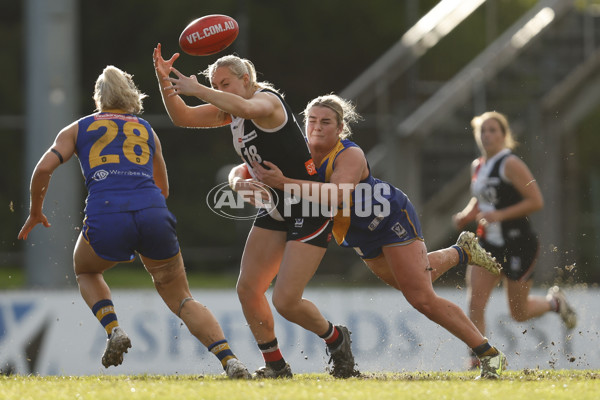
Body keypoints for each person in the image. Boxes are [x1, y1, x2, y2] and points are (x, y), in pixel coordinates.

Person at [249, 94, 507, 379]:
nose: (317, 127)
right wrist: (240, 180)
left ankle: (488, 354)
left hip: (389, 220)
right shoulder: (300, 152)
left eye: (326, 122)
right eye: (311, 121)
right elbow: (251, 163)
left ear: (340, 128)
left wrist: (283, 183)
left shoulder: (349, 153)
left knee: (421, 298)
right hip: (358, 233)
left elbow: (337, 195)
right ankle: (462, 252)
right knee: (410, 282)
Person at [18, 65, 251, 379]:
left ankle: (113, 329)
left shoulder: (77, 128)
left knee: (86, 269)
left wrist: (35, 210)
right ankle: (231, 361)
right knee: (181, 296)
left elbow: (43, 169)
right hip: (153, 211)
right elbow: (163, 189)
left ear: (98, 97)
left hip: (107, 213)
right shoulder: (145, 129)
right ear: (131, 95)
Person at [152, 45, 359, 378]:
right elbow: (183, 117)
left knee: (286, 301)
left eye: (225, 84)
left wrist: (197, 89)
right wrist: (165, 82)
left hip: (308, 206)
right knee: (248, 288)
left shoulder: (266, 101)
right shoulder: (232, 108)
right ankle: (276, 365)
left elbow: (246, 106)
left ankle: (336, 338)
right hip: (275, 205)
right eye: (215, 85)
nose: (220, 91)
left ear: (246, 79)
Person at [452, 111, 577, 369]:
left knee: (518, 313)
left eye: (493, 130)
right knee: (476, 300)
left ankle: (555, 303)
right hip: (487, 243)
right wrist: (467, 214)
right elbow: (482, 198)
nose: (487, 135)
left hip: (518, 242)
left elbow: (536, 201)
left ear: (504, 135)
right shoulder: (478, 166)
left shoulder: (511, 164)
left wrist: (499, 215)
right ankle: (479, 357)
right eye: (483, 131)